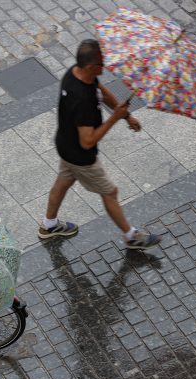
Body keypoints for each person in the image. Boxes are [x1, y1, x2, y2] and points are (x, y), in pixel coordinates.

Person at [40, 39, 161, 250]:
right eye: (101, 64)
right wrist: (115, 117)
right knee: (110, 192)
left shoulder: (76, 73)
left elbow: (102, 93)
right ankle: (131, 237)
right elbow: (87, 141)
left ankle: (49, 225)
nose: (105, 67)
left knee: (64, 181)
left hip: (65, 145)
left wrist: (126, 116)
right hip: (81, 156)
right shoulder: (82, 100)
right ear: (90, 66)